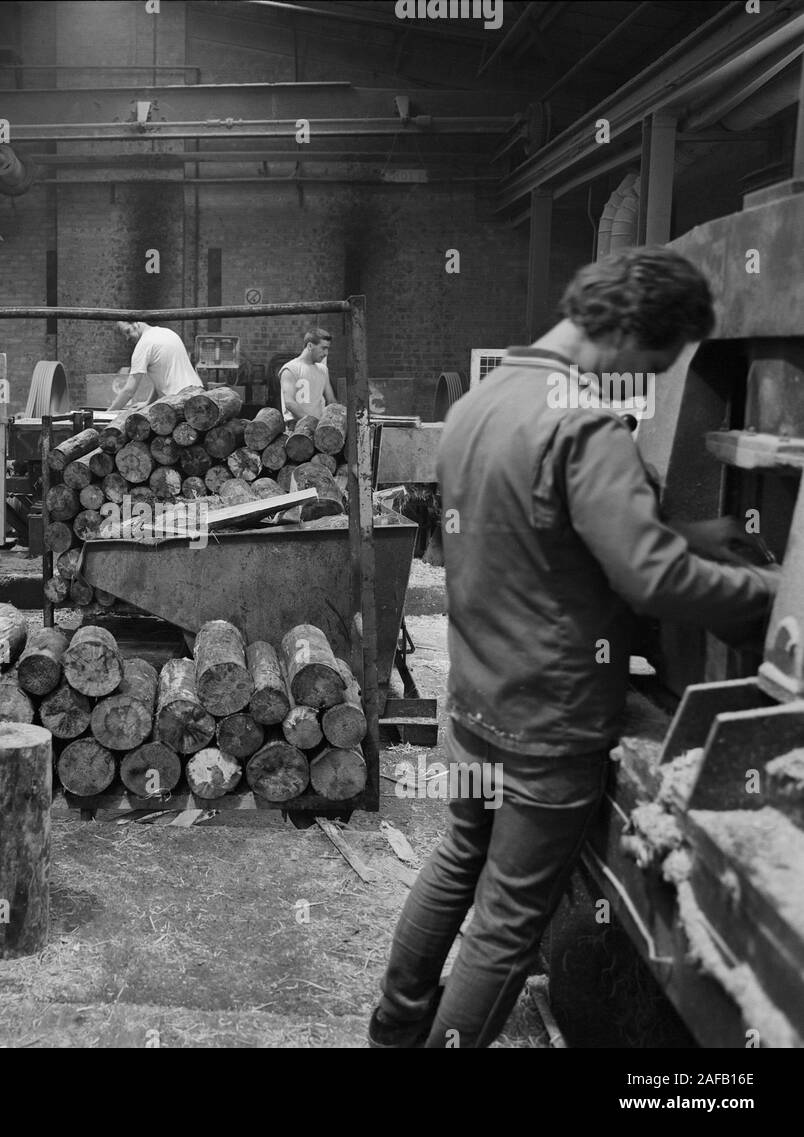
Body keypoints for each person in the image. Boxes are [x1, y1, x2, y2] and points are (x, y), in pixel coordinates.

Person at [368, 245, 780, 1049]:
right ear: (628, 331)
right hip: (548, 724)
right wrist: (771, 594)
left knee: (458, 857)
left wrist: (691, 531)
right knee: (506, 926)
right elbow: (652, 579)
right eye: (656, 361)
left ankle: (393, 1027)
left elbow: (538, 528)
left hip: (479, 701)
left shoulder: (483, 403)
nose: (651, 379)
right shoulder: (587, 427)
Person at [107, 321, 202, 412]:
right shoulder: (167, 333)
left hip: (180, 401)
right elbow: (162, 378)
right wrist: (148, 402)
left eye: (128, 331)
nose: (127, 338)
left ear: (135, 323)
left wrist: (107, 414)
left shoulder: (144, 345)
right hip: (198, 393)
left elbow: (129, 391)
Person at [278, 328, 337, 424]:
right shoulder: (290, 368)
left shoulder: (323, 370)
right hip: (295, 430)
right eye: (323, 348)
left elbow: (331, 400)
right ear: (310, 346)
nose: (326, 353)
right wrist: (311, 423)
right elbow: (289, 403)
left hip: (317, 428)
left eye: (327, 349)